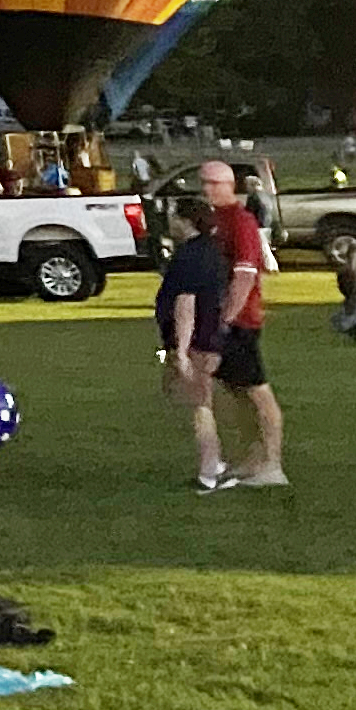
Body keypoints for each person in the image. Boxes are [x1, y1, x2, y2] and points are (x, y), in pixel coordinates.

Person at [195, 157, 287, 489]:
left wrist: (227, 319)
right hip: (220, 319)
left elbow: (245, 275)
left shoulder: (240, 221)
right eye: (203, 182)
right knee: (237, 392)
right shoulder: (213, 220)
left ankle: (272, 463)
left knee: (258, 392)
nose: (207, 189)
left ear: (229, 185)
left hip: (241, 320)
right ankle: (252, 457)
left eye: (213, 183)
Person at [153, 195, 230, 490]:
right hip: (212, 337)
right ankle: (217, 462)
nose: (170, 220)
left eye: (174, 215)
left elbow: (186, 303)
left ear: (186, 220)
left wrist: (182, 351)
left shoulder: (188, 257)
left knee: (199, 406)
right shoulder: (212, 252)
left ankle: (209, 471)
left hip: (196, 341)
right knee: (204, 401)